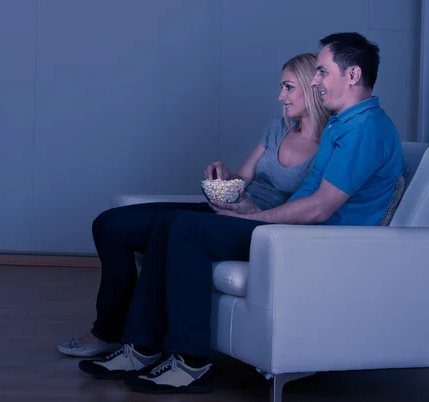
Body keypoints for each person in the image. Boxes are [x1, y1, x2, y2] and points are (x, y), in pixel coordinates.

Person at [77, 32, 404, 395]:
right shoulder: (344, 123)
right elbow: (308, 197)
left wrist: (251, 219)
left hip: (313, 244)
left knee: (185, 229)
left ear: (353, 75)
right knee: (171, 224)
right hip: (296, 234)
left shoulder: (366, 129)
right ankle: (141, 346)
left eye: (323, 72)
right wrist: (248, 207)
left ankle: (191, 363)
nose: (315, 80)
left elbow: (318, 207)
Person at [57, 52, 330, 358]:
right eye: (282, 86)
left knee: (175, 226)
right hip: (227, 213)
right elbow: (243, 178)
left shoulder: (332, 144)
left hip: (258, 226)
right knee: (109, 225)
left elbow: (312, 206)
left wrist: (254, 212)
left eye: (289, 87)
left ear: (311, 87)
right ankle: (109, 330)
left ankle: (144, 345)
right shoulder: (277, 129)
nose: (281, 96)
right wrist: (225, 177)